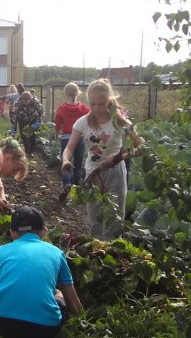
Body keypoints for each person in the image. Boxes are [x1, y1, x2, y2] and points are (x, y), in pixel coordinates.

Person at [0, 206, 84, 338]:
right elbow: (75, 308)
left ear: (12, 233)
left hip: (0, 321)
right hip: (44, 326)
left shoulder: (0, 251)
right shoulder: (57, 253)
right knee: (58, 294)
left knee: (6, 302)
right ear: (44, 232)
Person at [61, 79, 145, 240]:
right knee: (94, 214)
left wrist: (120, 157)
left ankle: (113, 247)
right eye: (92, 104)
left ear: (109, 101)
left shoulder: (120, 122)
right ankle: (98, 246)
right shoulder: (82, 122)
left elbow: (142, 146)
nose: (96, 108)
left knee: (115, 215)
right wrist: (65, 160)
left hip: (115, 172)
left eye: (101, 104)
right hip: (92, 172)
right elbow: (69, 148)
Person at [52, 82, 90, 200]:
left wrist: (57, 136)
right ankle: (74, 188)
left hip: (66, 138)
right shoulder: (84, 109)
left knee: (65, 163)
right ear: (78, 93)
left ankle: (67, 183)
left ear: (65, 93)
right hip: (80, 139)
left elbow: (57, 125)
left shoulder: (61, 109)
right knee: (78, 165)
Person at [13, 91, 44, 156]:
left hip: (33, 118)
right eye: (24, 101)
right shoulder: (17, 103)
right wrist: (13, 125)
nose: (26, 103)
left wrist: (38, 122)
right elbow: (14, 114)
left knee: (33, 135)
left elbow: (41, 111)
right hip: (22, 119)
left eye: (27, 101)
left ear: (30, 99)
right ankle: (28, 152)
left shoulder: (35, 101)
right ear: (22, 99)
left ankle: (31, 151)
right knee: (24, 136)